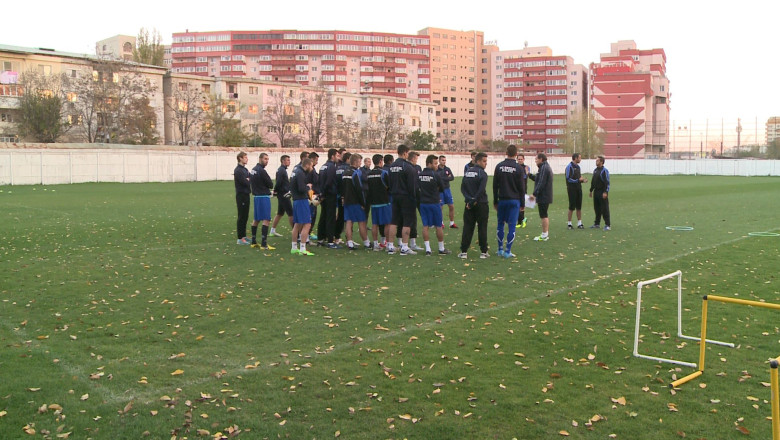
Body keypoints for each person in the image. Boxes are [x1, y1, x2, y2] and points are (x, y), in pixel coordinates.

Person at [493, 145, 524, 259]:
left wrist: (495, 200)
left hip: (502, 200)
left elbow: (495, 185)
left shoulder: (499, 166)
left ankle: (500, 249)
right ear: (516, 154)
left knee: (500, 224)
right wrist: (523, 203)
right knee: (512, 226)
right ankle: (507, 251)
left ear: (506, 152)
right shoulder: (518, 168)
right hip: (514, 200)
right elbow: (522, 188)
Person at [386, 145, 418, 255]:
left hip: (394, 196)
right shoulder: (407, 167)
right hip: (406, 197)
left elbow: (388, 182)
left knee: (394, 221)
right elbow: (412, 185)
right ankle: (404, 246)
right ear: (405, 153)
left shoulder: (391, 166)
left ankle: (390, 246)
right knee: (407, 221)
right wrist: (414, 198)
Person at [459, 152, 489, 259]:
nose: (486, 164)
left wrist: (469, 200)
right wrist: (474, 200)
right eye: (484, 161)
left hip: (468, 204)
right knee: (482, 227)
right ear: (478, 161)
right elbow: (481, 190)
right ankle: (484, 252)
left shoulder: (467, 172)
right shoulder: (482, 174)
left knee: (468, 227)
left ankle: (463, 251)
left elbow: (463, 188)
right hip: (481, 204)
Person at [418, 155, 450, 256]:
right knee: (438, 226)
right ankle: (441, 248)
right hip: (434, 203)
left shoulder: (419, 175)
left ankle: (428, 249)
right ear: (429, 164)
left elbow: (417, 188)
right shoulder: (435, 175)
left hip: (423, 203)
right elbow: (442, 187)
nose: (437, 166)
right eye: (435, 163)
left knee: (425, 226)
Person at [341, 154, 369, 250]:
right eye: (359, 162)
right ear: (356, 162)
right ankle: (366, 243)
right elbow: (359, 189)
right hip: (356, 201)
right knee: (362, 222)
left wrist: (343, 198)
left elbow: (342, 188)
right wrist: (362, 203)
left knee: (349, 222)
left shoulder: (345, 173)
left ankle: (349, 243)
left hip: (347, 201)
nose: (360, 163)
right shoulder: (355, 173)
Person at [249, 153, 275, 250]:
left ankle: (254, 241)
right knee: (266, 219)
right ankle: (264, 244)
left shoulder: (253, 170)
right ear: (260, 159)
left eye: (268, 159)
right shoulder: (262, 171)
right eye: (265, 159)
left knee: (256, 219)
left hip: (256, 197)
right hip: (263, 197)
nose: (266, 161)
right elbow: (270, 184)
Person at [290, 158, 315, 256]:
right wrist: (308, 187)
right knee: (307, 224)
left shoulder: (295, 171)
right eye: (312, 166)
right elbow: (301, 188)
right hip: (301, 200)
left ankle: (294, 247)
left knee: (297, 224)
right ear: (307, 165)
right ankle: (303, 248)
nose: (312, 168)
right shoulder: (300, 173)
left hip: (296, 200)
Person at [317, 148, 340, 248]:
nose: (338, 158)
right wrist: (325, 194)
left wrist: (321, 194)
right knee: (330, 217)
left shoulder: (323, 166)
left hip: (323, 194)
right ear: (332, 156)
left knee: (323, 216)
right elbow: (329, 182)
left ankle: (320, 239)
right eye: (337, 156)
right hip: (329, 195)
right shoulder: (331, 167)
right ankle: (330, 241)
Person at [367, 154, 391, 251]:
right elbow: (389, 186)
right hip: (384, 201)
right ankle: (388, 244)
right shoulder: (384, 173)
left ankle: (376, 244)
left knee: (374, 224)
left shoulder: (369, 174)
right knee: (387, 223)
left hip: (373, 202)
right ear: (381, 161)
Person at [528, 153, 553, 242]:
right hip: (545, 195)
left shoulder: (544, 168)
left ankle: (544, 234)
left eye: (536, 159)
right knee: (543, 214)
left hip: (544, 196)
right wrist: (529, 175)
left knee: (543, 215)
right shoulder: (544, 167)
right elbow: (538, 179)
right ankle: (545, 234)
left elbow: (541, 182)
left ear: (541, 159)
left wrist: (534, 194)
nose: (535, 161)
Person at [270, 155, 293, 238]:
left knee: (280, 213)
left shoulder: (282, 170)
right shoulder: (282, 170)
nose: (289, 161)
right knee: (291, 213)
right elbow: (279, 182)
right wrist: (275, 191)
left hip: (282, 194)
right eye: (287, 160)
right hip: (283, 195)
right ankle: (296, 232)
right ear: (283, 161)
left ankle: (272, 230)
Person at [565, 153, 587, 229]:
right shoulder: (569, 167)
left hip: (578, 188)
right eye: (579, 158)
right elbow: (568, 178)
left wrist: (582, 180)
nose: (580, 159)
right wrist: (578, 180)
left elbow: (578, 178)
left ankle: (579, 223)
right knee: (571, 206)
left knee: (579, 206)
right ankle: (569, 223)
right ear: (575, 158)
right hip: (571, 189)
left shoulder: (578, 167)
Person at [233, 152, 251, 245]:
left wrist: (248, 179)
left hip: (246, 194)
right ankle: (240, 238)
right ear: (240, 158)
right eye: (245, 157)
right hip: (241, 196)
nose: (247, 159)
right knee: (241, 216)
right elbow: (246, 182)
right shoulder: (238, 170)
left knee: (245, 216)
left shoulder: (245, 169)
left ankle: (244, 236)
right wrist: (248, 180)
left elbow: (250, 179)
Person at [589, 155, 611, 231]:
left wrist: (606, 192)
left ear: (601, 162)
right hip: (596, 192)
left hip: (602, 191)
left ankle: (607, 224)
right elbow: (593, 181)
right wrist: (591, 190)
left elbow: (607, 183)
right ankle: (597, 223)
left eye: (597, 160)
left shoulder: (604, 171)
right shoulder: (595, 170)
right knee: (597, 208)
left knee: (604, 208)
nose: (596, 162)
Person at [437, 155, 457, 228]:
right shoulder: (436, 169)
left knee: (451, 206)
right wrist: (446, 178)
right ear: (439, 161)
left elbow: (452, 177)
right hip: (439, 190)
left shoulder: (447, 169)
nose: (444, 162)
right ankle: (441, 223)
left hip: (447, 190)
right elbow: (437, 178)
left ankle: (452, 223)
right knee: (440, 207)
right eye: (442, 160)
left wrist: (442, 178)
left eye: (445, 160)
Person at [516, 153, 531, 229]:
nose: (520, 160)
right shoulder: (515, 167)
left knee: (522, 205)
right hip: (515, 189)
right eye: (519, 159)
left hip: (523, 189)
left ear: (524, 159)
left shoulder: (526, 167)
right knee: (517, 206)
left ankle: (520, 221)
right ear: (517, 159)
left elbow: (525, 177)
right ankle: (522, 220)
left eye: (521, 159)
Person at [308, 152, 320, 239]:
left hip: (313, 195)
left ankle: (308, 233)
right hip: (311, 196)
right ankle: (306, 235)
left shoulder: (313, 170)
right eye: (316, 160)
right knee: (310, 215)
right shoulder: (309, 171)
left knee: (313, 215)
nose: (317, 162)